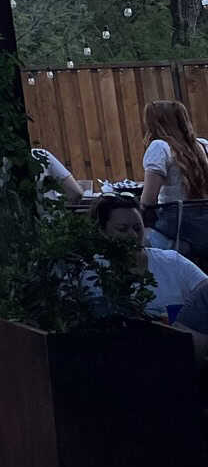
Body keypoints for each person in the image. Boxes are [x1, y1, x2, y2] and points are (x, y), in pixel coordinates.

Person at [93, 194, 207, 320]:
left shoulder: (172, 261)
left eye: (137, 228)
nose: (133, 235)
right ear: (102, 231)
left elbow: (205, 291)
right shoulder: (92, 271)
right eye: (122, 229)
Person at [140, 100, 208, 253]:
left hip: (175, 227)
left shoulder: (160, 147)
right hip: (204, 228)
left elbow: (148, 201)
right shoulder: (203, 146)